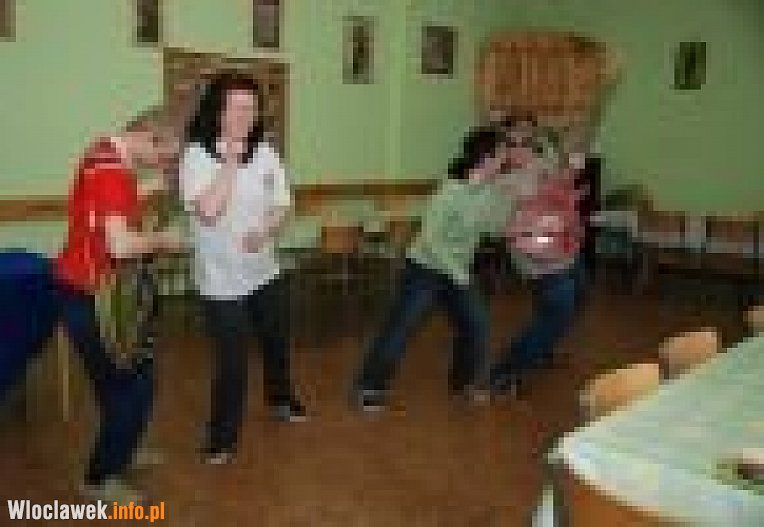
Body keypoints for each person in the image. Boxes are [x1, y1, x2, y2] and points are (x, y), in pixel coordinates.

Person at [54, 108, 184, 503]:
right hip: (92, 296)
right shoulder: (112, 171)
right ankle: (99, 478)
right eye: (161, 156)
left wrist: (147, 190)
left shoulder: (104, 155)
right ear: (146, 137)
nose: (160, 164)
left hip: (84, 290)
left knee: (118, 383)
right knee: (135, 386)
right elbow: (121, 246)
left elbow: (107, 207)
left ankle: (123, 446)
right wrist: (165, 240)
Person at [179, 71, 304, 465]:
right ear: (217, 110)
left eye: (251, 109)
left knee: (276, 341)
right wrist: (230, 161)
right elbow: (209, 212)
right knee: (232, 363)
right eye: (235, 107)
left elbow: (282, 203)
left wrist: (265, 230)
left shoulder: (265, 152)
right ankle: (221, 438)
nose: (245, 117)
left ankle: (280, 398)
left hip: (264, 271)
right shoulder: (196, 156)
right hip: (221, 281)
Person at [351, 126, 516, 412]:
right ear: (485, 156)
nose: (506, 158)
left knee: (475, 325)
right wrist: (459, 274)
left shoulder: (490, 191)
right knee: (401, 327)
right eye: (502, 153)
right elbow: (431, 238)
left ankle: (463, 383)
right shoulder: (450, 189)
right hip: (425, 267)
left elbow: (494, 230)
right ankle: (369, 387)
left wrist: (504, 202)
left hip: (456, 270)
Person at [489, 119, 588, 396]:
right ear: (503, 149)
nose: (522, 148)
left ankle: (542, 348)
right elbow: (536, 196)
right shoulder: (503, 181)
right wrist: (560, 176)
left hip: (564, 250)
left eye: (528, 142)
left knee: (575, 299)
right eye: (514, 143)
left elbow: (567, 177)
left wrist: (571, 156)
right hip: (537, 257)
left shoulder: (542, 164)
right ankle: (506, 371)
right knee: (558, 310)